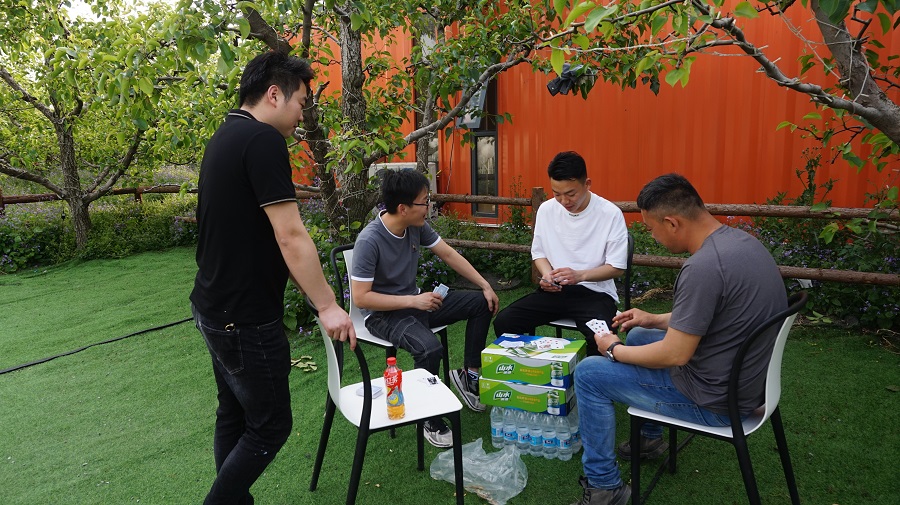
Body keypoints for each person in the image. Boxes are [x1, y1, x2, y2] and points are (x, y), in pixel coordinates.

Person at [190, 51, 355, 505]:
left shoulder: (226, 134)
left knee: (233, 413)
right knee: (270, 426)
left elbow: (255, 231)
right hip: (244, 317)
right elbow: (291, 235)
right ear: (275, 94)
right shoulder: (262, 140)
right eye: (301, 102)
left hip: (211, 306)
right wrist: (328, 305)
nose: (303, 114)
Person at [570, 173, 788, 505]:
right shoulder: (742, 244)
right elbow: (720, 313)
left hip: (716, 402)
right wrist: (654, 318)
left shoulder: (703, 267)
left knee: (589, 374)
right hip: (744, 383)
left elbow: (675, 355)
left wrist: (613, 349)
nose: (652, 236)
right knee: (641, 333)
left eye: (651, 229)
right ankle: (649, 439)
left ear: (672, 223)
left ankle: (604, 488)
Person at [351, 169, 500, 447]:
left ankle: (468, 376)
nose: (429, 206)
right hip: (382, 315)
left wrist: (485, 285)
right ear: (403, 208)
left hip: (415, 302)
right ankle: (429, 419)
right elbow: (361, 298)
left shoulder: (415, 226)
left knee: (481, 302)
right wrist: (413, 300)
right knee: (429, 349)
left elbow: (448, 253)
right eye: (424, 201)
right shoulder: (369, 240)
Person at [492, 151, 629, 356]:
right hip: (555, 292)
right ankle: (531, 370)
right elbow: (538, 253)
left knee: (602, 339)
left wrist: (580, 276)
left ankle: (590, 374)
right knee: (505, 322)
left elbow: (616, 268)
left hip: (595, 294)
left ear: (587, 184)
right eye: (557, 194)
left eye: (571, 194)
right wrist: (547, 275)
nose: (564, 201)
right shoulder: (547, 210)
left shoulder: (610, 214)